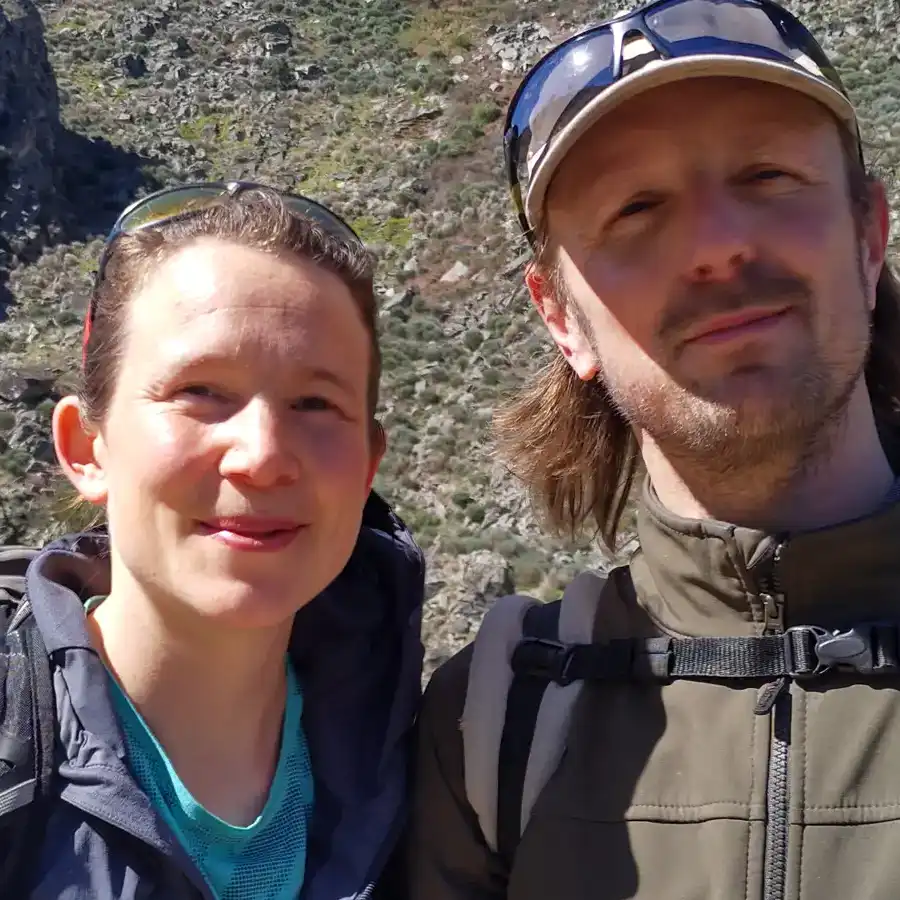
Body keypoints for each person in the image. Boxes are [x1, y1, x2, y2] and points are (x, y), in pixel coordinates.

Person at [407, 1, 900, 898]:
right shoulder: (494, 729)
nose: (717, 244)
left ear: (870, 237)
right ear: (562, 319)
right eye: (635, 207)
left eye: (768, 174)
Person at [0, 182, 424, 899]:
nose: (262, 455)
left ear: (367, 468)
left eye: (315, 403)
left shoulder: (438, 774)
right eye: (200, 392)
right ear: (87, 447)